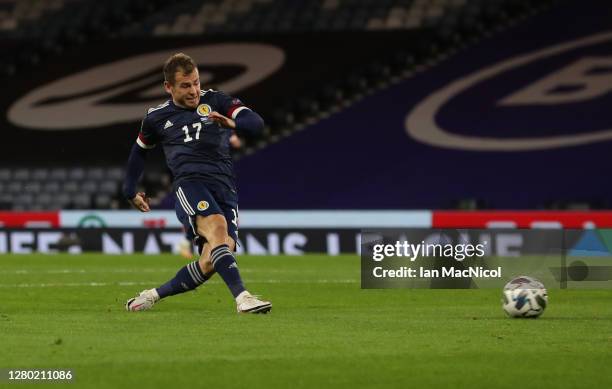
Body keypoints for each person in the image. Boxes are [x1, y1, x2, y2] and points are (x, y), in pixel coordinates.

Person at [123, 53, 271, 314]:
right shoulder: (156, 117)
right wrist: (130, 190)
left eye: (196, 83)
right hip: (189, 183)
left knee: (211, 260)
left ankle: (151, 296)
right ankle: (243, 298)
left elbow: (256, 124)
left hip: (225, 187)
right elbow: (139, 152)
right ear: (168, 87)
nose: (194, 91)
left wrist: (232, 122)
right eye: (185, 85)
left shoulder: (216, 100)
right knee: (217, 227)